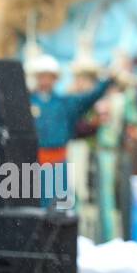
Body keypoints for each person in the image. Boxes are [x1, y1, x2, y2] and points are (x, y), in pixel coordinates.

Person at [27, 54, 112, 208]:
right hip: (35, 164)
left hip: (59, 162)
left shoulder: (64, 103)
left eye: (49, 77)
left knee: (61, 208)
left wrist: (107, 80)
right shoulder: (27, 102)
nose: (45, 81)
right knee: (37, 208)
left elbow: (90, 97)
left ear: (55, 79)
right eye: (42, 76)